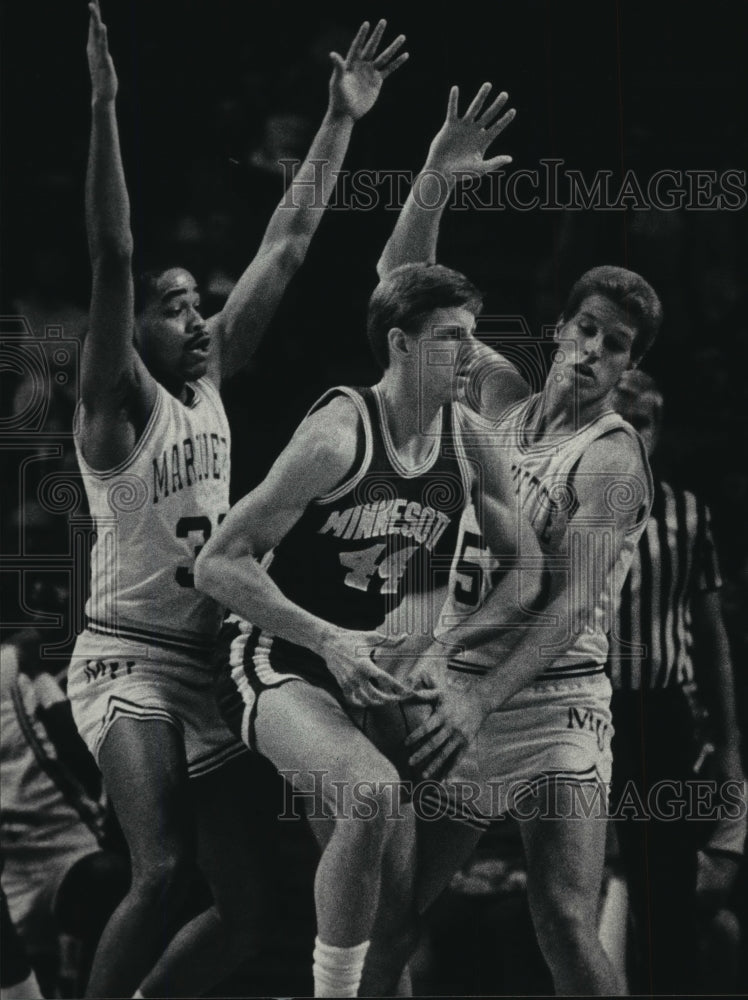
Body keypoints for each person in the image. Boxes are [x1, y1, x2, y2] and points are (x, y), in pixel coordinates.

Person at [67, 4, 409, 997]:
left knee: (256, 910)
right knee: (163, 865)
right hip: (127, 658)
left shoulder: (209, 383)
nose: (199, 315)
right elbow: (113, 257)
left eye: (199, 301)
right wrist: (104, 101)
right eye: (177, 308)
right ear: (135, 334)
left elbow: (290, 240)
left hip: (204, 665)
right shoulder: (114, 411)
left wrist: (340, 117)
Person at [376, 82, 663, 996]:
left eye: (614, 346)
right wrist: (434, 178)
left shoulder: (610, 456)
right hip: (467, 682)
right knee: (389, 910)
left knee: (565, 923)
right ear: (560, 328)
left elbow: (572, 599)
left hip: (555, 702)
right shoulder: (495, 392)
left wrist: (481, 698)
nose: (591, 353)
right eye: (585, 330)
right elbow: (400, 296)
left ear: (629, 366)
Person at [193, 247, 536, 996]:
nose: (470, 354)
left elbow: (530, 569)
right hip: (281, 655)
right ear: (401, 344)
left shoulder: (469, 439)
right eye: (452, 336)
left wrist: (447, 648)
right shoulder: (338, 434)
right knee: (372, 794)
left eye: (473, 336)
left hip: (376, 665)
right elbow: (218, 564)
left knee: (463, 807)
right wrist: (325, 639)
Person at [607, 369, 746, 994]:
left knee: (664, 891)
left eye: (640, 421)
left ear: (656, 431)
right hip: (576, 707)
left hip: (656, 713)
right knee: (577, 888)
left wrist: (729, 746)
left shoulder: (688, 516)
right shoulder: (556, 505)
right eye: (616, 418)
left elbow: (711, 637)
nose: (628, 433)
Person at [0, 629, 129, 997]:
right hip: (9, 863)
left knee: (107, 879)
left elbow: (84, 759)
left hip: (66, 844)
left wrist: (41, 682)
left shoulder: (18, 662)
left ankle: (81, 985)